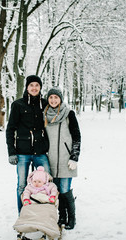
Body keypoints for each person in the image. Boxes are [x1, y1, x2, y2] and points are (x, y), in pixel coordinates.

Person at [6, 75, 50, 214]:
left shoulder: (45, 104)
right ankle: (23, 215)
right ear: (27, 87)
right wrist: (11, 152)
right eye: (31, 85)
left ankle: (46, 214)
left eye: (37, 85)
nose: (34, 88)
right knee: (22, 185)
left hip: (40, 152)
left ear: (40, 87)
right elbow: (10, 129)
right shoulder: (18, 104)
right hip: (22, 152)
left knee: (48, 182)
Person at [43, 87, 81, 230]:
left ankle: (72, 218)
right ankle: (61, 216)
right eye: (51, 98)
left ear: (60, 99)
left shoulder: (69, 114)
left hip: (66, 160)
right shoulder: (45, 115)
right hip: (51, 160)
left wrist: (74, 157)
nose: (53, 100)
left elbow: (77, 136)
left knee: (65, 189)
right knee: (57, 190)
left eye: (56, 98)